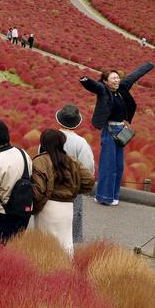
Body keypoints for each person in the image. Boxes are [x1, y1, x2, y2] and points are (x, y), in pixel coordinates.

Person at [80, 62, 154, 205]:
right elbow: (95, 86)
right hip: (109, 131)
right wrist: (86, 80)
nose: (116, 80)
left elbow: (133, 76)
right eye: (113, 78)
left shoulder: (122, 89)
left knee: (118, 165)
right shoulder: (104, 90)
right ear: (106, 82)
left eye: (117, 77)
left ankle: (114, 196)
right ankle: (103, 197)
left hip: (121, 131)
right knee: (108, 165)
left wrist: (148, 65)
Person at [31, 129, 95, 254]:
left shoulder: (40, 160)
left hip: (47, 207)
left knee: (44, 246)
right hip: (67, 208)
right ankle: (66, 270)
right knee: (65, 243)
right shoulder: (71, 160)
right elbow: (89, 181)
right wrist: (74, 190)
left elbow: (39, 189)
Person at [0, 120, 33, 244]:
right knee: (16, 248)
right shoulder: (24, 154)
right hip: (24, 212)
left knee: (1, 251)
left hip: (4, 215)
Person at [54, 104, 96, 244]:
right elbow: (88, 168)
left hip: (51, 187)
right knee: (72, 226)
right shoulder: (81, 143)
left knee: (52, 223)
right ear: (77, 123)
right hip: (73, 190)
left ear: (59, 120)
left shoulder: (49, 138)